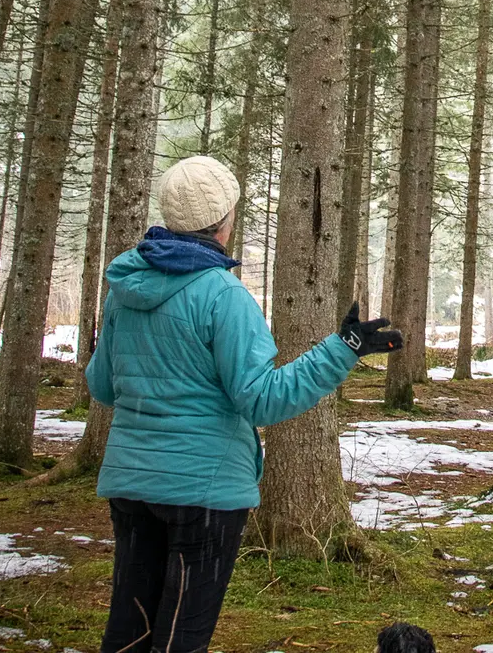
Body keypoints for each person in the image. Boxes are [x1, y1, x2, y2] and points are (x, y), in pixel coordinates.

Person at [86, 154, 402, 653]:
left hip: (131, 484)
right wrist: (344, 349)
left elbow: (102, 387)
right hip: (204, 494)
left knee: (130, 631)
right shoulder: (222, 295)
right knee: (179, 639)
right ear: (224, 219)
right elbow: (261, 401)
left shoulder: (123, 290)